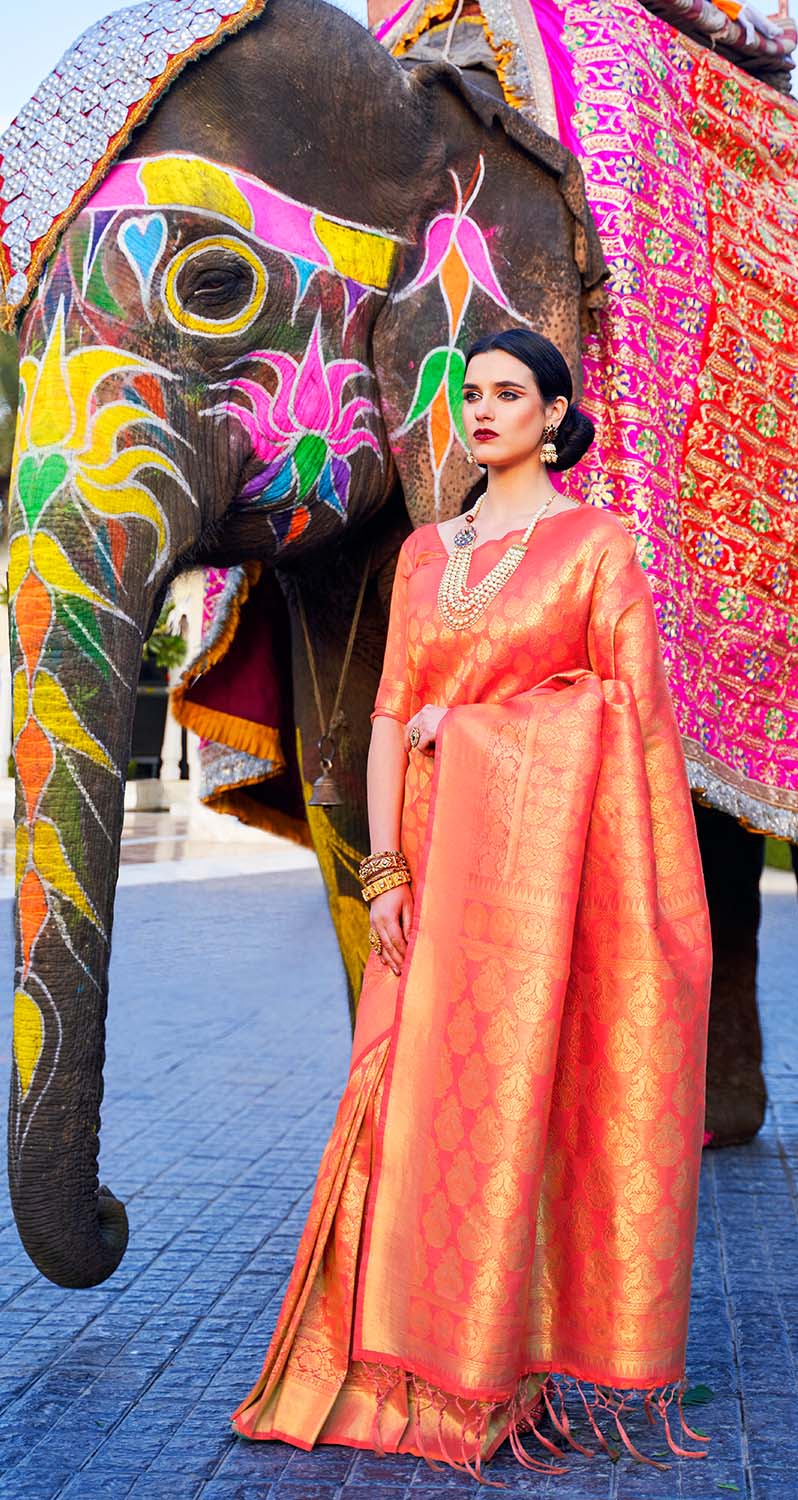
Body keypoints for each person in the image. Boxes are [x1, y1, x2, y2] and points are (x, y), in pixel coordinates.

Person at [231, 328, 713, 1476]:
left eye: (509, 394)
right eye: (471, 394)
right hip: (423, 871)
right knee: (395, 1104)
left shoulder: (595, 548)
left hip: (533, 889)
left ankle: (486, 1377)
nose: (483, 410)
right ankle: (372, 1372)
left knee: (512, 1105)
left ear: (554, 418)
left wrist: (487, 729)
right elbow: (391, 713)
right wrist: (383, 870)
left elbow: (630, 718)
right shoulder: (422, 555)